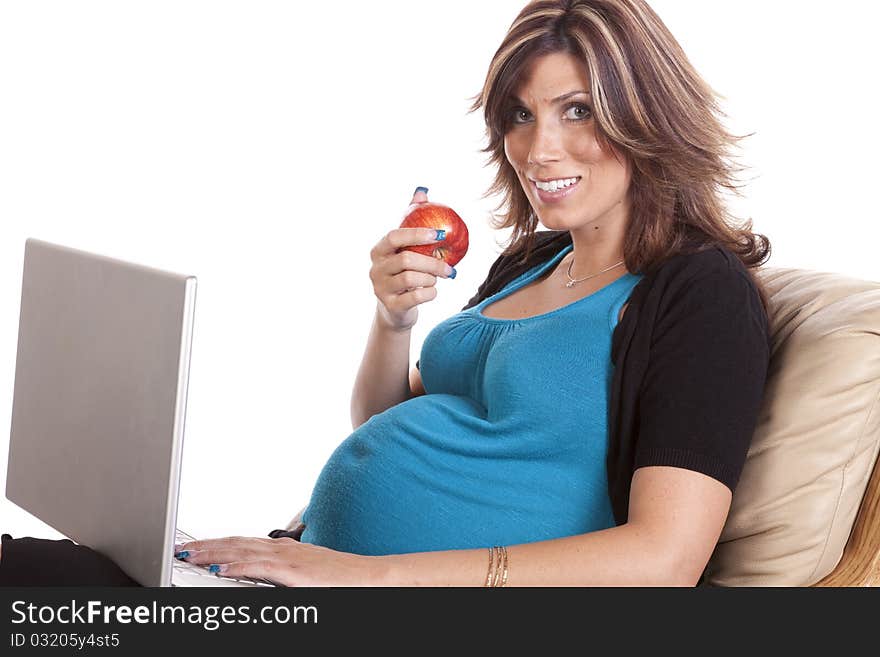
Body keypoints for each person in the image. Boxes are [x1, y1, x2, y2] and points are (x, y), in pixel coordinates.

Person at [1, 0, 771, 587]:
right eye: (520, 114)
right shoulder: (530, 263)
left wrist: (369, 576)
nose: (540, 148)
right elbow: (384, 420)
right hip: (310, 575)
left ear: (646, 113)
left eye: (578, 111)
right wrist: (394, 317)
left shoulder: (700, 295)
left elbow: (665, 557)